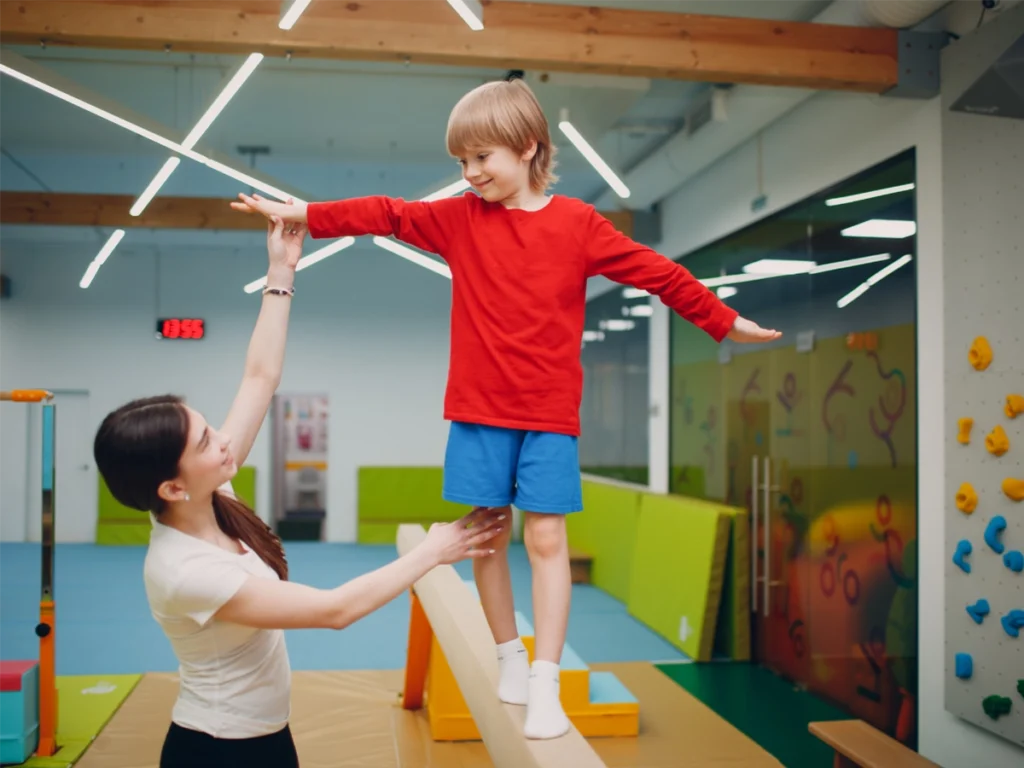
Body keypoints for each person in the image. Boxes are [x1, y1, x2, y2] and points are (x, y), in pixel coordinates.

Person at [229, 76, 780, 740]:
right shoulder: (460, 220)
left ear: (527, 147)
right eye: (461, 162)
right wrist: (309, 215)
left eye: (482, 158)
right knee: (485, 538)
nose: (469, 173)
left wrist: (723, 322)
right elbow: (388, 213)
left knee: (546, 537)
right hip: (478, 411)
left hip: (549, 415)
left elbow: (657, 273)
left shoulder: (578, 225)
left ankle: (545, 679)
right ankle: (508, 655)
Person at [92, 216, 506, 767]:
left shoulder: (212, 494)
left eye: (212, 428)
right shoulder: (184, 571)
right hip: (220, 749)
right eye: (207, 441)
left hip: (264, 735)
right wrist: (434, 551)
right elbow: (334, 611)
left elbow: (259, 378)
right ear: (171, 485)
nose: (224, 442)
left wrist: (281, 272)